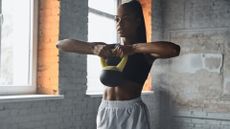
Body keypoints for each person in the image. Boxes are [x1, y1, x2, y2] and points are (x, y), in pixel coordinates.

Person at [56, 0, 180, 129]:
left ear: (137, 22)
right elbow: (61, 44)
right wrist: (93, 49)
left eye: (125, 19)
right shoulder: (110, 49)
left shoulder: (145, 52)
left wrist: (133, 49)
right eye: (117, 19)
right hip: (106, 109)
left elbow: (174, 50)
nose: (119, 24)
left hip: (131, 111)